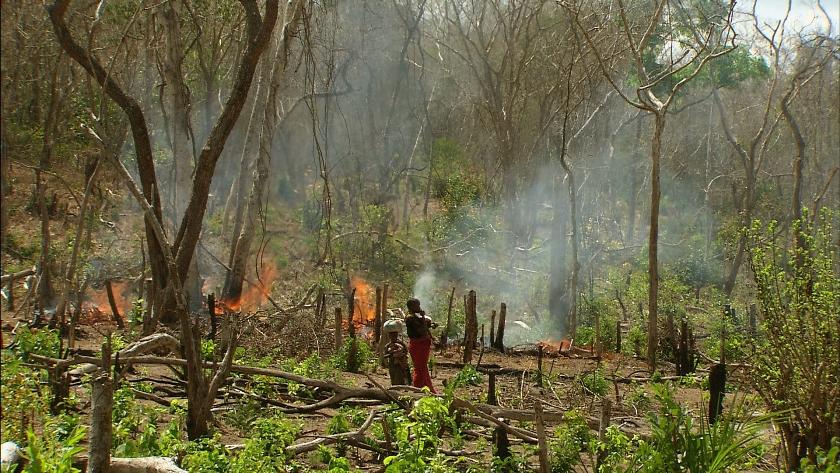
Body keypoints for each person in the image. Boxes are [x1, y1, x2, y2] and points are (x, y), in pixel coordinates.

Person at [405, 298, 437, 393]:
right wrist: (423, 317)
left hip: (421, 345)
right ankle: (418, 389)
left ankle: (428, 389)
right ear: (411, 307)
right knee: (420, 369)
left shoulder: (415, 317)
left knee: (423, 368)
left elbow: (424, 326)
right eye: (417, 305)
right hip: (418, 346)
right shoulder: (410, 318)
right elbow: (422, 330)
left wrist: (431, 325)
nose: (419, 307)